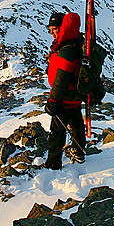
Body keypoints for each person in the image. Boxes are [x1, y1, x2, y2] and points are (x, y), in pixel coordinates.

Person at [44, 11, 86, 169]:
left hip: (64, 98)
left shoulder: (67, 51)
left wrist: (53, 102)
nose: (52, 32)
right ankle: (79, 151)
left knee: (57, 132)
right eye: (50, 29)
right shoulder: (74, 44)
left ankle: (53, 163)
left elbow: (61, 81)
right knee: (76, 124)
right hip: (75, 96)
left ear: (63, 28)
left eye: (55, 28)